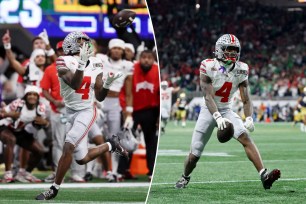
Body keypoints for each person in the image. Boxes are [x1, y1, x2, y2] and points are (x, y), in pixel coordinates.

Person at [175, 34, 281, 190]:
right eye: (228, 50)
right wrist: (218, 118)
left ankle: (263, 175)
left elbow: (246, 98)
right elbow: (208, 97)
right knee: (195, 154)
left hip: (227, 108)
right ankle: (185, 177)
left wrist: (249, 117)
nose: (232, 53)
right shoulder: (208, 65)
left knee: (245, 137)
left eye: (235, 50)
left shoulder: (241, 69)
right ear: (219, 50)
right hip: (208, 110)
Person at [35, 31, 128, 200]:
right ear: (71, 43)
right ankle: (111, 145)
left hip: (86, 110)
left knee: (68, 145)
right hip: (69, 111)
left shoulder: (97, 63)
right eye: (81, 41)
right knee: (82, 159)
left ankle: (54, 189)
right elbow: (76, 85)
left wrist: (107, 84)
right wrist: (81, 64)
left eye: (87, 41)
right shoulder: (63, 60)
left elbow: (99, 96)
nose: (86, 44)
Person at [96, 39, 134, 182]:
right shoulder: (101, 59)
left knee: (114, 139)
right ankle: (87, 170)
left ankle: (114, 171)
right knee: (92, 135)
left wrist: (129, 113)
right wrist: (94, 102)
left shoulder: (127, 65)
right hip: (99, 100)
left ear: (123, 51)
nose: (117, 50)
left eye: (119, 48)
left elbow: (129, 92)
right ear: (110, 49)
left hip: (115, 102)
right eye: (114, 48)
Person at [0, 85, 48, 183]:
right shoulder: (18, 104)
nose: (32, 97)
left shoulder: (41, 108)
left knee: (39, 151)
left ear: (38, 97)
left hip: (19, 130)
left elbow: (44, 124)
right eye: (29, 94)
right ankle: (8, 174)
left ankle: (25, 173)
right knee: (11, 139)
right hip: (5, 127)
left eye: (35, 95)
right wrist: (9, 114)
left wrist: (45, 123)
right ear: (25, 96)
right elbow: (2, 113)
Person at [132, 50, 160, 181]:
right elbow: (126, 90)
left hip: (151, 110)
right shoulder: (131, 68)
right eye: (143, 57)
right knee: (126, 140)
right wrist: (126, 110)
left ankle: (151, 171)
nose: (146, 60)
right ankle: (122, 170)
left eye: (149, 58)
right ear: (139, 58)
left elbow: (160, 94)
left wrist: (159, 116)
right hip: (133, 109)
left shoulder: (157, 70)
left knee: (151, 143)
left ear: (154, 59)